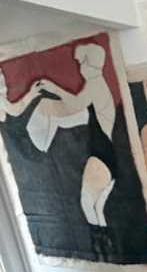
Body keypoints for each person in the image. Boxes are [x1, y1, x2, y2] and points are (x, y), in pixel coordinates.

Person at [2, 44, 118, 259]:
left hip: (101, 154)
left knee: (87, 203)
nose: (80, 67)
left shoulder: (95, 85)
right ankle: (107, 251)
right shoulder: (97, 86)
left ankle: (102, 251)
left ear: (90, 64)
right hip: (105, 155)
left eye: (81, 63)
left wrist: (53, 89)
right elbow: (73, 111)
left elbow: (75, 104)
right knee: (97, 209)